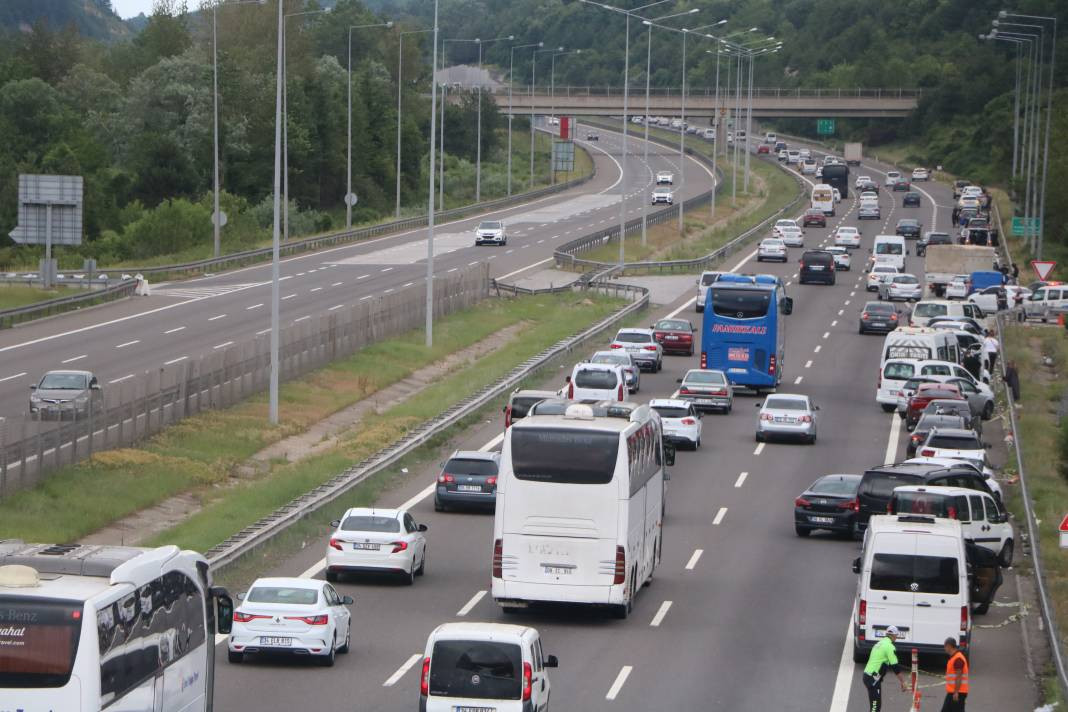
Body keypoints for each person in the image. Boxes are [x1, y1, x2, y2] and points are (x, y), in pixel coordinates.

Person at [863, 626, 908, 712]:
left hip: (870, 677)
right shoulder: (890, 647)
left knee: (876, 706)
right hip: (873, 679)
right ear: (894, 635)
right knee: (875, 707)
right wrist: (903, 682)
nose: (896, 638)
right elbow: (895, 667)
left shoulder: (879, 643)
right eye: (896, 636)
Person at [941, 637, 969, 711]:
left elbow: (959, 677)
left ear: (949, 646)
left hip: (957, 693)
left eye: (945, 646)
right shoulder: (955, 657)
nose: (944, 648)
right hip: (954, 692)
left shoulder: (958, 659)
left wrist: (956, 692)